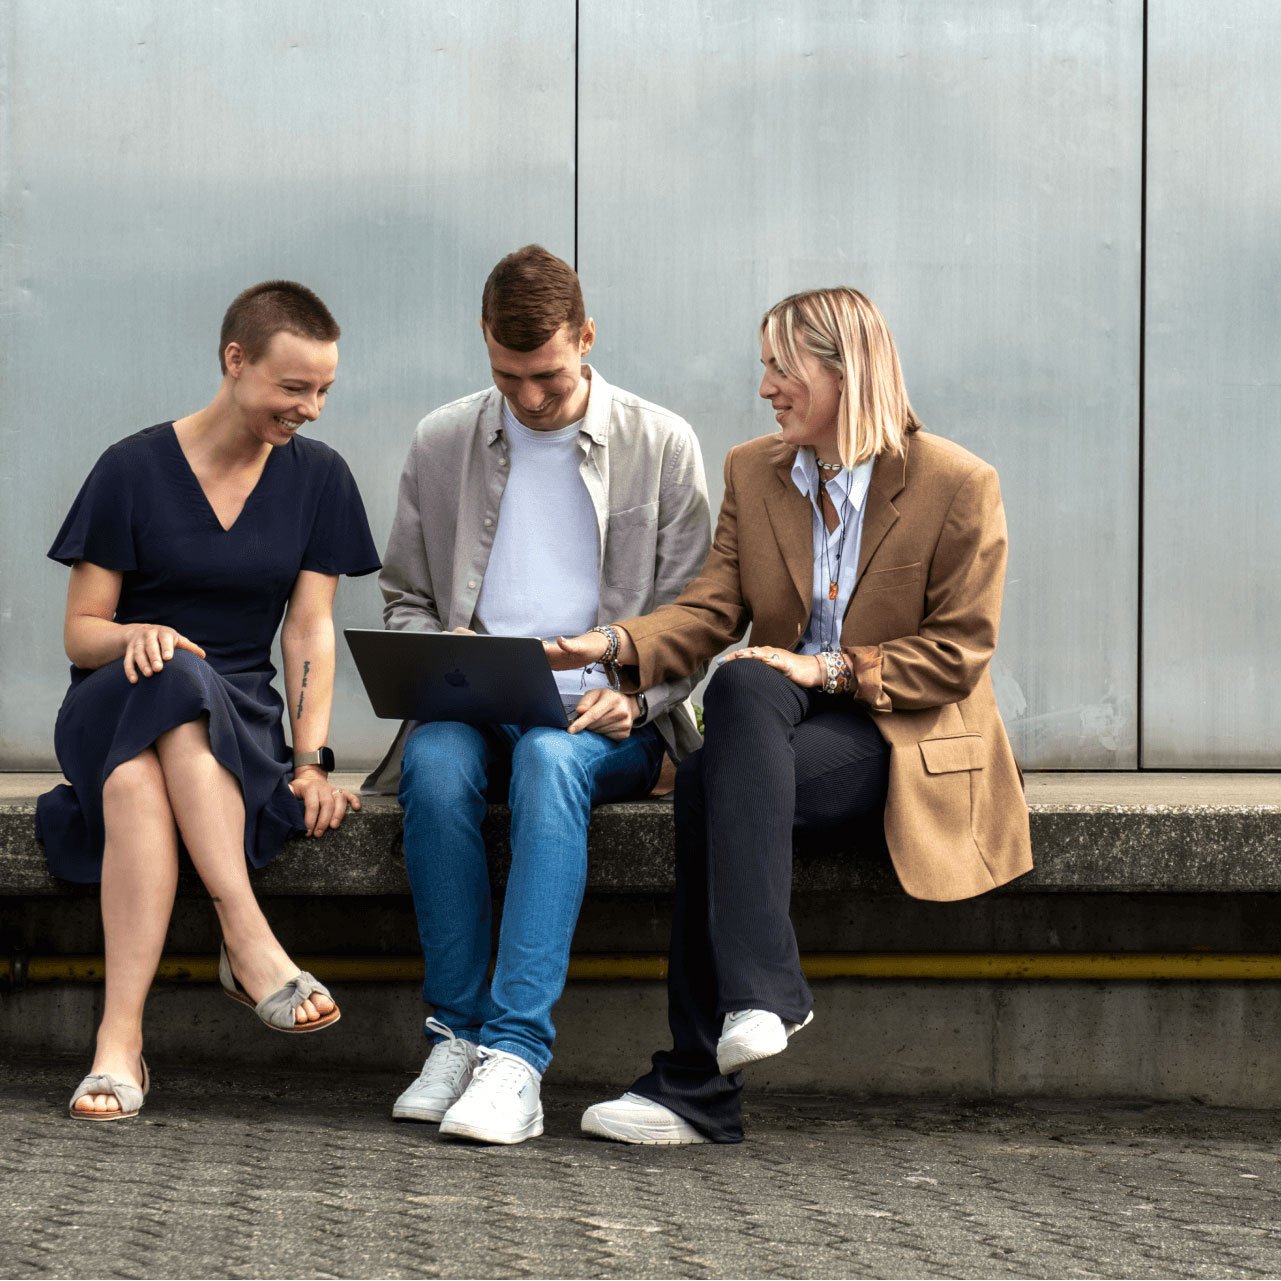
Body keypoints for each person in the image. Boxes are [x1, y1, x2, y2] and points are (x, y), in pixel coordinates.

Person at [550, 286, 1032, 1145]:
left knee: (704, 779)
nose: (765, 385)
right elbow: (709, 609)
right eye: (765, 366)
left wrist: (830, 664)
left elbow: (959, 651)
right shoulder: (753, 471)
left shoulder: (956, 483)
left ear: (845, 370)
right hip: (776, 723)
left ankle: (697, 1085)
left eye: (782, 366)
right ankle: (761, 1001)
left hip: (899, 730)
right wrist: (614, 642)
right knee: (736, 688)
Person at [370, 244, 711, 1145]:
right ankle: (455, 1032)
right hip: (477, 701)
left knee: (547, 755)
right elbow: (403, 595)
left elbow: (701, 618)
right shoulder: (444, 439)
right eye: (506, 375)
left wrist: (637, 696)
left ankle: (517, 1057)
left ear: (587, 337)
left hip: (610, 715)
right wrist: (439, 651)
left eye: (548, 376)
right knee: (436, 763)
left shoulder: (660, 441)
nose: (528, 397)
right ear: (485, 344)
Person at [37, 281, 381, 1121]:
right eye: (293, 387)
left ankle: (118, 1046)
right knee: (177, 674)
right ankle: (247, 935)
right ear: (235, 361)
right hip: (111, 702)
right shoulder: (130, 469)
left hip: (239, 721)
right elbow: (80, 633)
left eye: (324, 389)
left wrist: (311, 763)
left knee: (131, 787)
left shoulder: (320, 479)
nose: (311, 408)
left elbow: (308, 631)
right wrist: (134, 635)